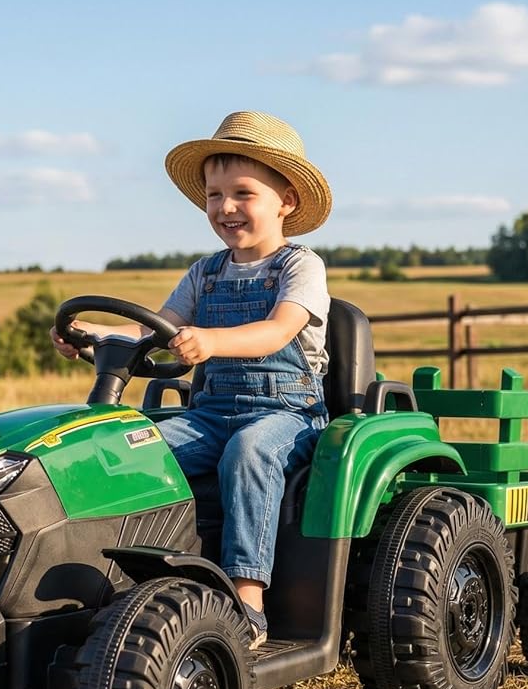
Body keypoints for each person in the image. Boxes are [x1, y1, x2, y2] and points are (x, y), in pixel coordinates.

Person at [51, 110, 331, 647]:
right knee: (131, 448)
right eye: (213, 194)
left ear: (286, 200)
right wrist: (92, 337)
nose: (225, 207)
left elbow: (278, 331)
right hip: (208, 414)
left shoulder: (301, 267)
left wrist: (213, 341)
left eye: (243, 193)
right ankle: (117, 582)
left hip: (286, 416)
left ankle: (248, 600)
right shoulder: (204, 273)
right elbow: (150, 332)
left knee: (248, 452)